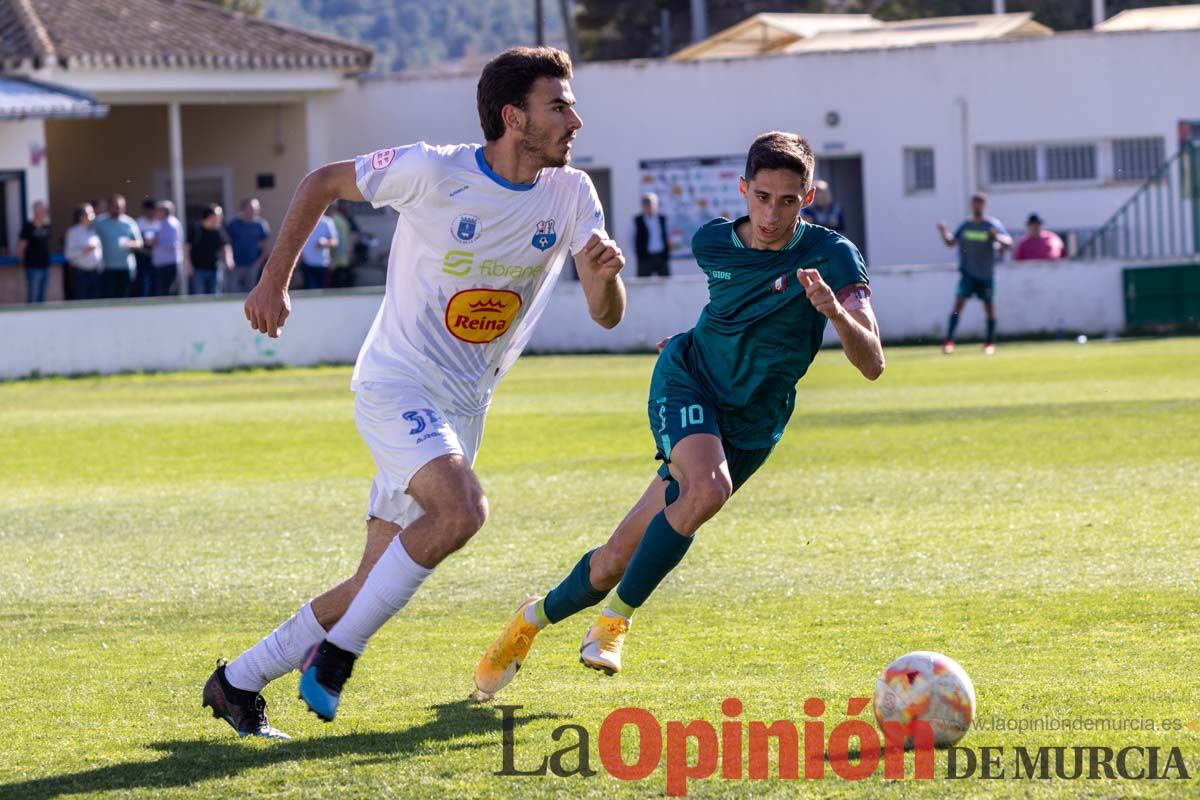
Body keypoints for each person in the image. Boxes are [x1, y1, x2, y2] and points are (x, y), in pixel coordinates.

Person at [203, 46, 626, 739]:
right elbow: (318, 182)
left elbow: (606, 314)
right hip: (395, 383)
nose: (576, 119)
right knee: (464, 509)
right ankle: (336, 660)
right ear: (515, 118)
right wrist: (273, 281)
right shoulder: (434, 169)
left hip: (464, 406)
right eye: (560, 105)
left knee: (373, 582)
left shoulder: (571, 193)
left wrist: (606, 277)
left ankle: (237, 681)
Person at [474, 131, 884, 698]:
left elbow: (873, 362)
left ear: (808, 198)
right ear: (744, 190)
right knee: (707, 491)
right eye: (761, 196)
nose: (771, 214)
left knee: (613, 560)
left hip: (753, 422)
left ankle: (530, 620)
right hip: (688, 378)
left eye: (787, 201)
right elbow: (732, 311)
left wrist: (836, 312)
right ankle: (613, 624)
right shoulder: (711, 243)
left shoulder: (833, 256)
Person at [936, 192, 1012, 355]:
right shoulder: (966, 225)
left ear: (984, 206)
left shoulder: (992, 225)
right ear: (971, 205)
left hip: (985, 274)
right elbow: (951, 242)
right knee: (958, 306)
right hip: (968, 274)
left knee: (989, 308)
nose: (977, 206)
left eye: (980, 203)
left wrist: (996, 236)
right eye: (974, 203)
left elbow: (1008, 243)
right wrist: (943, 232)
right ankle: (949, 341)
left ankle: (989, 343)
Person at [92, 194, 143, 299]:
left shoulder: (129, 223)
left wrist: (131, 244)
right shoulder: (99, 222)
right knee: (109, 297)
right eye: (115, 207)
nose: (118, 210)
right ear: (109, 207)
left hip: (126, 267)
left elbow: (140, 243)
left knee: (124, 297)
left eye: (120, 207)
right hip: (107, 268)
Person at [226, 198, 271, 293]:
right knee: (232, 290)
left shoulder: (261, 225)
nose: (254, 211)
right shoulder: (233, 224)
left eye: (256, 208)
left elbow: (266, 247)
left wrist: (259, 262)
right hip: (235, 265)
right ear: (243, 209)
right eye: (251, 208)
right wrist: (229, 260)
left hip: (253, 264)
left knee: (251, 292)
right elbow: (227, 244)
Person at [187, 205, 232, 295]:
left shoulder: (219, 231)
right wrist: (188, 265)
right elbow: (186, 248)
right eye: (219, 215)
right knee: (199, 295)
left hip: (215, 268)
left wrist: (229, 259)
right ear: (210, 216)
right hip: (198, 269)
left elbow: (226, 246)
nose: (221, 218)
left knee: (216, 295)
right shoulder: (196, 230)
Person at [65, 203, 102, 301]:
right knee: (81, 300)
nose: (93, 216)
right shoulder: (73, 232)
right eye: (90, 214)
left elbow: (98, 250)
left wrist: (100, 265)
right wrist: (84, 250)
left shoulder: (93, 231)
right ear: (82, 216)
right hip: (80, 273)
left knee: (95, 301)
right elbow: (69, 254)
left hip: (94, 273)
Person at [18, 200, 52, 303]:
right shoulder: (28, 227)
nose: (45, 212)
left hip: (45, 266)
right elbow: (21, 247)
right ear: (37, 211)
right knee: (33, 297)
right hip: (33, 267)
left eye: (45, 210)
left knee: (42, 297)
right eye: (43, 210)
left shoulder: (47, 227)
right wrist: (22, 261)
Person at [298, 208, 338, 289]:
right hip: (306, 263)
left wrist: (325, 242)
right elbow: (297, 240)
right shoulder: (304, 222)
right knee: (310, 290)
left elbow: (335, 241)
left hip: (322, 264)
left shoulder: (327, 222)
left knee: (320, 292)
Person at [633, 192, 670, 277]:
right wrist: (639, 252)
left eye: (651, 204)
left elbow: (667, 236)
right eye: (646, 204)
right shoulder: (637, 220)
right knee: (642, 283)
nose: (649, 207)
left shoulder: (662, 219)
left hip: (661, 256)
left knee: (665, 283)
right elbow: (630, 239)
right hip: (645, 257)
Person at [152, 200, 184, 296]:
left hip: (168, 263)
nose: (156, 213)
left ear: (164, 212)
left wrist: (156, 241)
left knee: (167, 291)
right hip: (163, 263)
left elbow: (172, 244)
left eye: (158, 210)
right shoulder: (162, 223)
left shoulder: (170, 224)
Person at [328, 200, 356, 289]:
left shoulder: (334, 220)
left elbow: (341, 241)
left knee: (337, 289)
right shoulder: (342, 219)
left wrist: (335, 259)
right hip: (344, 259)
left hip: (338, 261)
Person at [135, 198, 160, 297]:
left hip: (158, 257)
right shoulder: (138, 223)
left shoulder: (159, 222)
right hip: (143, 257)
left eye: (153, 210)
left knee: (156, 282)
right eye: (148, 210)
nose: (151, 213)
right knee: (144, 282)